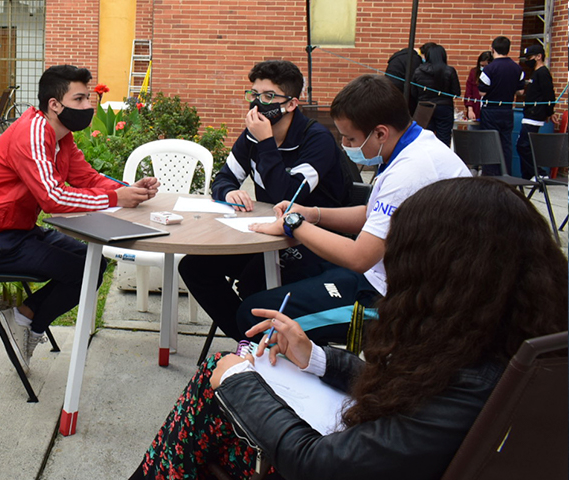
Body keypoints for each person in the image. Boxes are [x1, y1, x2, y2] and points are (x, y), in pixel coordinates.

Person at [128, 177, 568, 480]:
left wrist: (239, 381)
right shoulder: (504, 343)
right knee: (217, 396)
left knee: (215, 384)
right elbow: (412, 398)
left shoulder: (475, 380)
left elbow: (320, 465)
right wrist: (318, 359)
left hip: (330, 465)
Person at [236, 74, 470, 345]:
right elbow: (373, 215)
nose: (345, 146)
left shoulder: (411, 170)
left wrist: (295, 223)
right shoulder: (411, 145)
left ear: (381, 132)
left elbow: (360, 257)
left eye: (349, 138)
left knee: (255, 317)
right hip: (384, 275)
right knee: (259, 281)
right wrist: (313, 213)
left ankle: (282, 372)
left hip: (396, 299)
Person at [0, 65, 160, 370]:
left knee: (94, 264)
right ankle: (29, 325)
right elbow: (52, 197)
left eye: (88, 99)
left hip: (18, 231)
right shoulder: (31, 134)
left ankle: (25, 318)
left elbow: (86, 177)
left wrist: (126, 189)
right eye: (79, 99)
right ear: (54, 104)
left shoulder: (61, 136)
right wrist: (114, 199)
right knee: (83, 270)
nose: (88, 106)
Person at [178, 60, 347, 341]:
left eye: (268, 97)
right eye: (254, 95)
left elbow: (289, 196)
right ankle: (249, 340)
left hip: (315, 241)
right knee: (194, 267)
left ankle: (270, 345)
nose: (257, 103)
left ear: (291, 104)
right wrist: (229, 192)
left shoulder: (316, 140)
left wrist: (267, 143)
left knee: (253, 283)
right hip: (267, 236)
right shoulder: (252, 137)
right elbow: (222, 180)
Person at [478, 36, 525, 175]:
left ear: (492, 49)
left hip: (491, 110)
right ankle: (505, 175)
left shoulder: (489, 69)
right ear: (508, 49)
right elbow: (521, 90)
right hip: (507, 110)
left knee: (490, 143)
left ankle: (490, 176)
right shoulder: (517, 68)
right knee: (506, 144)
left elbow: (481, 91)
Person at [516, 43, 557, 180]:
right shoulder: (536, 73)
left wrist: (549, 112)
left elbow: (548, 94)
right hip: (529, 113)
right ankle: (528, 174)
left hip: (535, 114)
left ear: (539, 57)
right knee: (524, 145)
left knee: (523, 145)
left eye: (530, 57)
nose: (528, 60)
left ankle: (538, 173)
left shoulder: (543, 73)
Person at [411, 44, 461, 146]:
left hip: (424, 107)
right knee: (444, 138)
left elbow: (413, 92)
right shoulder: (449, 70)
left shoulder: (418, 71)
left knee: (424, 139)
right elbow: (456, 92)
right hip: (444, 107)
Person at [385, 42, 437, 114]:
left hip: (390, 89)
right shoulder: (413, 59)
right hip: (401, 92)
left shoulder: (402, 55)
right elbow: (415, 81)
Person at [464, 50, 493, 121]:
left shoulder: (494, 74)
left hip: (489, 112)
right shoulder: (474, 73)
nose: (484, 68)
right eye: (482, 66)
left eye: (486, 66)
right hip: (475, 110)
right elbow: (468, 92)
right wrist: (470, 110)